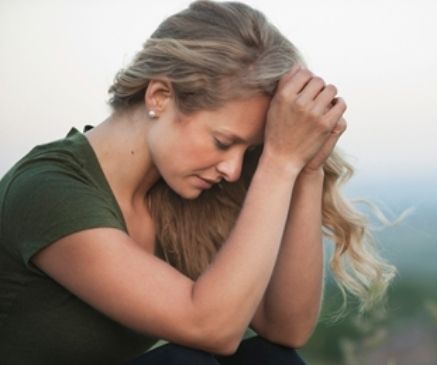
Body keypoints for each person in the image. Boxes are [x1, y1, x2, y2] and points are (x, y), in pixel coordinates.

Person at [0, 1, 395, 364]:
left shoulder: (181, 194)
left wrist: (306, 167)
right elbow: (209, 327)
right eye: (224, 142)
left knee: (270, 361)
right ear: (159, 96)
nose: (233, 171)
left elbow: (285, 328)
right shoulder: (48, 189)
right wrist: (279, 162)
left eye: (249, 151)